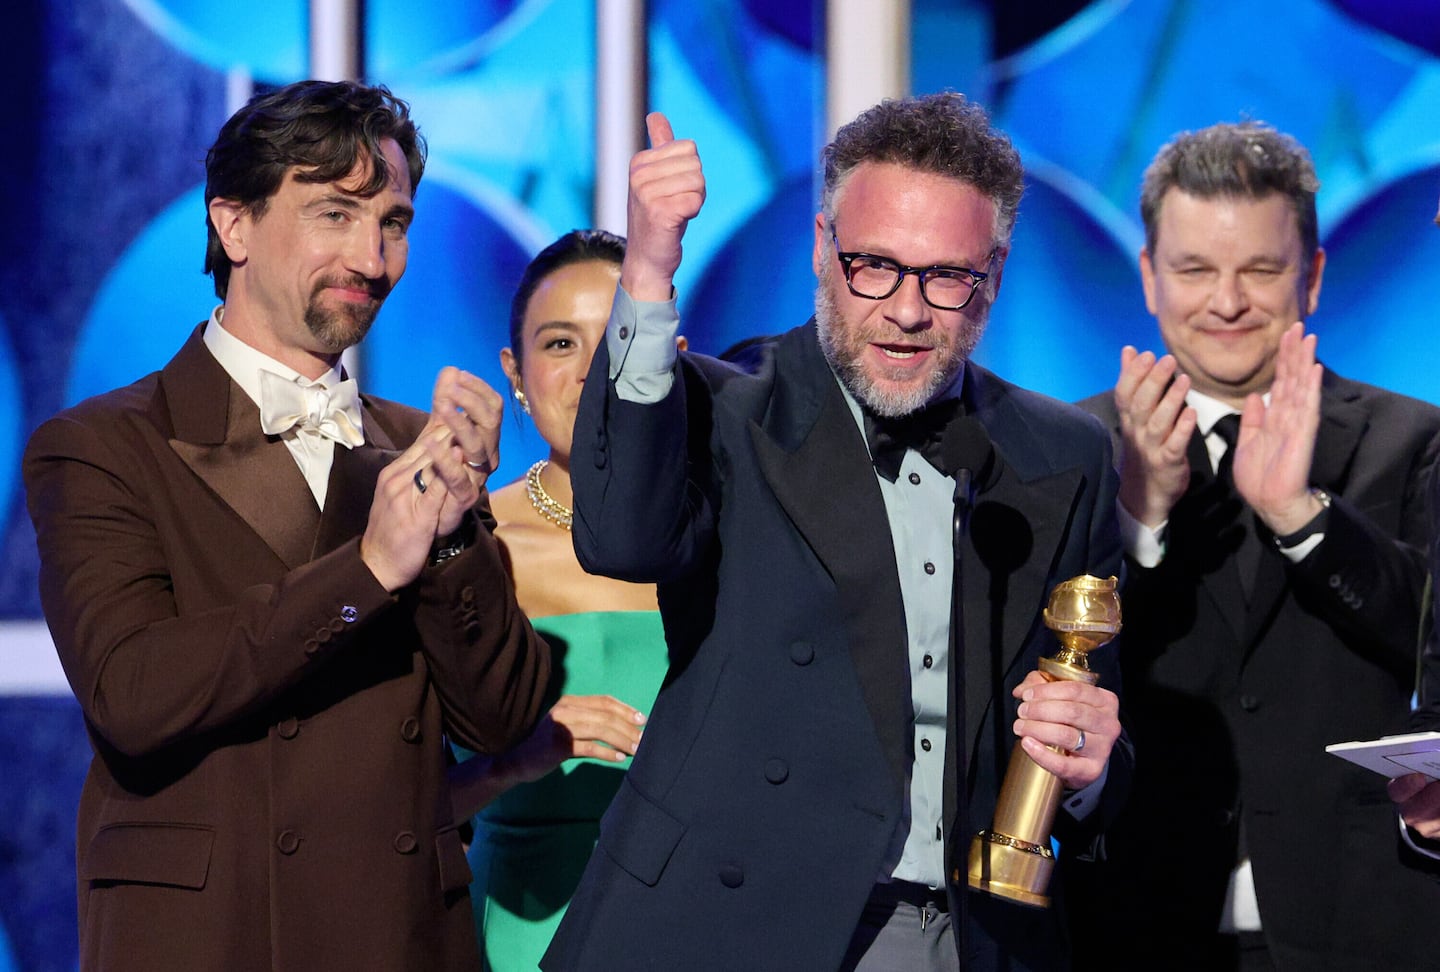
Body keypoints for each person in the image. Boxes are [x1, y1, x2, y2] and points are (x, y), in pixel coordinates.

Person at [543, 93, 1132, 972]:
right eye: (875, 267)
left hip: (963, 936)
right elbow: (621, 538)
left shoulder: (1063, 452)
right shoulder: (730, 407)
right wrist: (648, 276)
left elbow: (1099, 732)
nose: (905, 310)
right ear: (823, 248)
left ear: (995, 276)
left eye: (946, 277)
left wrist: (1091, 762)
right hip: (723, 927)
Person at [22, 80, 551, 972]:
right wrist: (369, 568)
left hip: (400, 935)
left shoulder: (414, 447)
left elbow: (497, 717)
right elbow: (136, 693)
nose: (373, 257)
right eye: (334, 214)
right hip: (213, 938)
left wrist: (455, 535)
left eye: (392, 223)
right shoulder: (105, 447)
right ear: (233, 227)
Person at [1077, 121, 1440, 969]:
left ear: (1311, 276)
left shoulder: (1415, 442)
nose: (1227, 302)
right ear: (1149, 278)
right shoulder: (1073, 446)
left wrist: (1302, 517)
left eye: (1261, 270)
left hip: (1362, 922)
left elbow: (1430, 638)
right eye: (1196, 269)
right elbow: (1035, 672)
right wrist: (1139, 519)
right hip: (1136, 918)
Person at [445, 230, 666, 971]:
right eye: (562, 344)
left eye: (618, 340)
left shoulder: (732, 541)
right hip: (519, 936)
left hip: (701, 928)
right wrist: (516, 759)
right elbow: (387, 813)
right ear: (516, 371)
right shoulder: (465, 546)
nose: (590, 373)